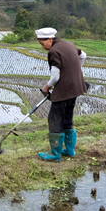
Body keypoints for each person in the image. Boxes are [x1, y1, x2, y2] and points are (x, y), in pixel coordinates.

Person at [36, 27, 87, 161]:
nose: (42, 47)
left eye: (42, 43)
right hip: (75, 88)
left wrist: (46, 88)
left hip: (64, 90)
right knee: (67, 117)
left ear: (50, 39)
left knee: (54, 119)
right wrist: (74, 71)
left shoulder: (54, 51)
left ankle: (55, 153)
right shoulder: (68, 44)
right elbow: (83, 55)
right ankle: (69, 150)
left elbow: (55, 77)